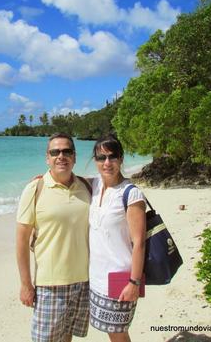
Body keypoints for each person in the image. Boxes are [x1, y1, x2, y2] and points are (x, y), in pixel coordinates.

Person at [16, 132, 92, 342]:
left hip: (83, 281)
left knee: (67, 337)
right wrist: (25, 284)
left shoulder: (86, 187)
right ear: (47, 158)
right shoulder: (34, 189)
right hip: (50, 284)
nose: (61, 156)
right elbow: (21, 241)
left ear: (74, 157)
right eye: (55, 152)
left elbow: (112, 181)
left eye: (67, 151)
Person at [88, 134, 147, 342]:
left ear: (121, 158)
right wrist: (44, 178)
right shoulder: (95, 186)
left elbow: (139, 242)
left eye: (112, 157)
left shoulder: (131, 194)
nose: (107, 163)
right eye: (101, 157)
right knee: (112, 332)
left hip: (122, 278)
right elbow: (67, 180)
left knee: (118, 333)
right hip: (97, 278)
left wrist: (134, 282)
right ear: (94, 160)